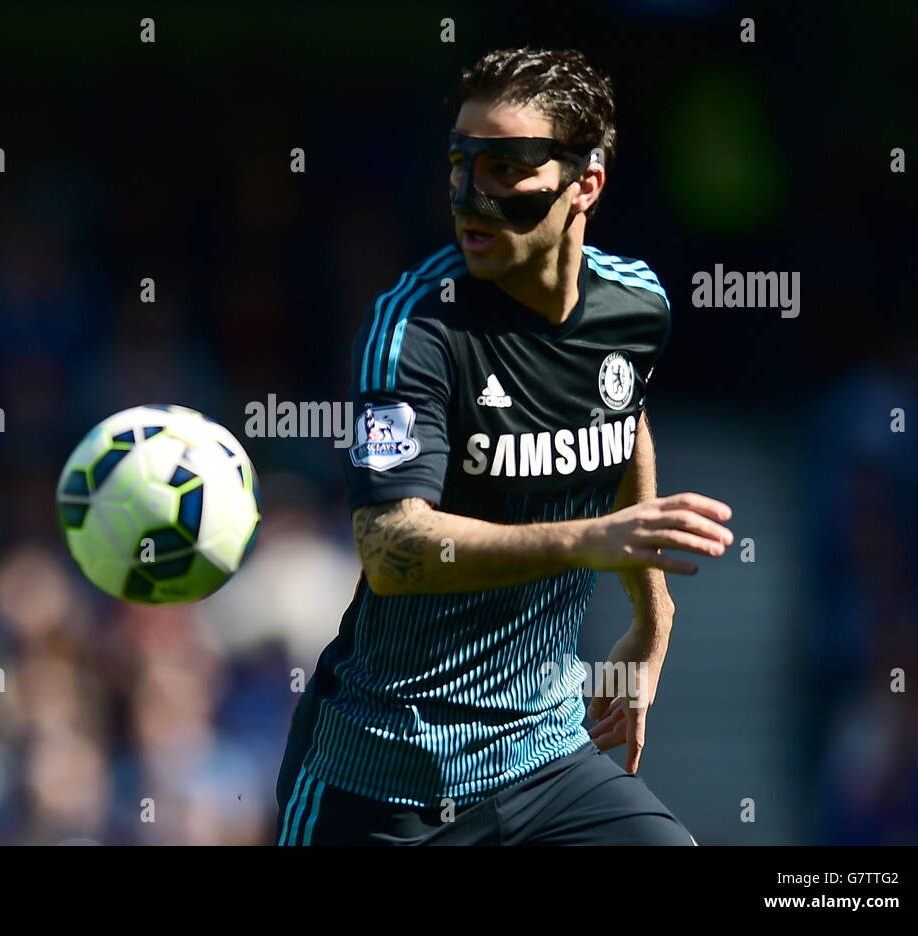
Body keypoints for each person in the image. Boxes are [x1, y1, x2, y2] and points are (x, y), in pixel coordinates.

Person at [276, 47, 733, 845]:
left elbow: (621, 422)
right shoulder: (414, 330)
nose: (468, 196)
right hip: (385, 781)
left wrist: (650, 613)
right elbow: (391, 547)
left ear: (584, 182)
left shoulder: (635, 306)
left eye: (504, 167)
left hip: (545, 759)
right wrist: (591, 540)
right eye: (460, 162)